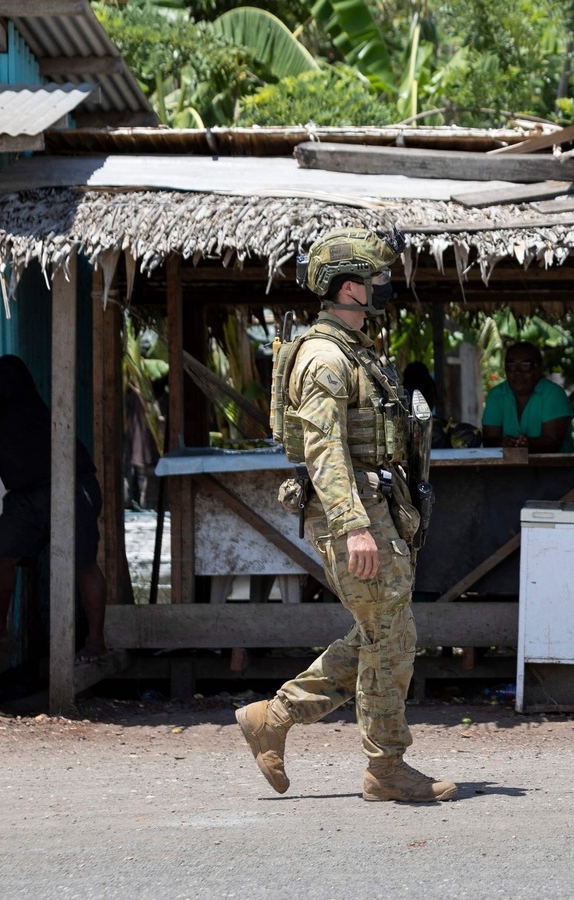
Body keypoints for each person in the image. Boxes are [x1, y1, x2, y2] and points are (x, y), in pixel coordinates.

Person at [235, 227, 456, 803]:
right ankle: (385, 769)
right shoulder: (325, 356)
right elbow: (324, 448)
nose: (386, 287)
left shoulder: (356, 349)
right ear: (351, 287)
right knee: (389, 635)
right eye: (378, 278)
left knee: (382, 632)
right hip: (356, 513)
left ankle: (274, 717)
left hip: (379, 507)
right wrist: (354, 524)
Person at [0, 315, 109, 663]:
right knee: (1, 557)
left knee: (83, 562)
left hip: (67, 481)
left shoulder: (8, 368)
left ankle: (97, 643)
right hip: (25, 494)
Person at [481, 341, 574, 452]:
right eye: (511, 365)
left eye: (525, 365)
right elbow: (488, 440)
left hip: (555, 468)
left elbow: (552, 443)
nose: (517, 372)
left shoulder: (553, 394)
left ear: (539, 369)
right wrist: (503, 443)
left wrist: (527, 444)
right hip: (508, 469)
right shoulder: (496, 395)